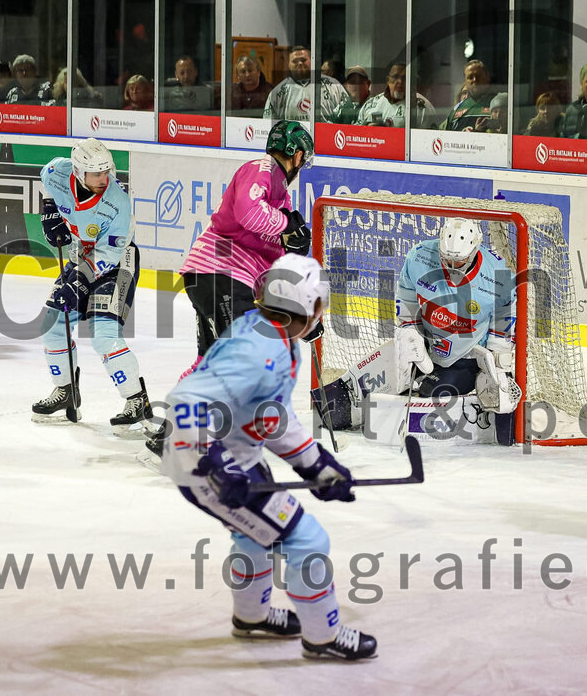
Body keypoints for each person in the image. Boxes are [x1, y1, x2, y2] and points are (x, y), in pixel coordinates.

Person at [160, 253, 377, 661]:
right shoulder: (258, 349)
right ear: (312, 307)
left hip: (232, 457)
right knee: (306, 539)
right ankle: (323, 637)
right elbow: (184, 401)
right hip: (207, 465)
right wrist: (217, 464)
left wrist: (314, 464)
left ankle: (252, 616)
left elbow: (270, 415)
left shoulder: (271, 336)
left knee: (252, 535)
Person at [321, 218, 519, 445]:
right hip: (425, 339)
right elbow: (406, 298)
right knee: (354, 392)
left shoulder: (498, 275)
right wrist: (409, 333)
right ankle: (339, 406)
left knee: (432, 392)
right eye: (447, 259)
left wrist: (493, 362)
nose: (452, 266)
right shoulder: (420, 256)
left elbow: (503, 324)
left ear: (475, 251)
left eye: (460, 261)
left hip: (466, 356)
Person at [31, 138, 163, 437]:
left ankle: (136, 400)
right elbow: (45, 183)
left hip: (117, 263)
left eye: (107, 171)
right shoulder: (57, 172)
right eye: (96, 174)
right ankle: (65, 390)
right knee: (51, 324)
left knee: (103, 335)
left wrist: (79, 281)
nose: (104, 178)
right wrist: (50, 211)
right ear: (78, 172)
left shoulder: (118, 202)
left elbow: (110, 254)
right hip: (81, 256)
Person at [177, 120, 315, 387]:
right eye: (302, 158)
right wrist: (287, 225)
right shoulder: (261, 168)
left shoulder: (280, 198)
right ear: (296, 154)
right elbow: (248, 211)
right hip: (221, 274)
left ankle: (180, 418)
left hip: (214, 278)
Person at [355, 62, 437, 129]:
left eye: (405, 78)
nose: (400, 82)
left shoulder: (422, 107)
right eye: (395, 77)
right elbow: (355, 134)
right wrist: (367, 128)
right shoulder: (372, 103)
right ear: (388, 80)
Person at [443, 60, 496, 132]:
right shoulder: (458, 109)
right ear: (465, 81)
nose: (475, 80)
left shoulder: (498, 103)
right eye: (470, 77)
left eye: (478, 76)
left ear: (487, 77)